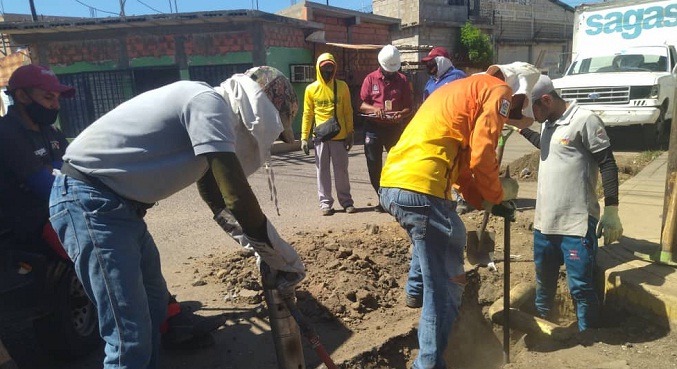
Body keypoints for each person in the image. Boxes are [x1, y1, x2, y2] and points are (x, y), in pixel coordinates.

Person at [48, 66, 306, 369]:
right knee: (129, 335)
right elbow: (236, 196)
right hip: (91, 202)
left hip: (122, 211)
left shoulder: (213, 114)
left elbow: (215, 195)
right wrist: (283, 257)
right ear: (260, 108)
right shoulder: (207, 104)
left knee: (157, 309)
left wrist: (257, 246)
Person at [0, 64, 224, 352]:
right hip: (32, 220)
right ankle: (151, 326)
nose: (55, 105)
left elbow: (67, 169)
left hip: (60, 206)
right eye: (47, 98)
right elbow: (46, 185)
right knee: (117, 258)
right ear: (21, 96)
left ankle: (164, 320)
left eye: (57, 99)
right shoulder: (8, 134)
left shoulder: (49, 131)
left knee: (136, 247)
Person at [379, 62, 540, 369]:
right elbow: (482, 155)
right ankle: (427, 364)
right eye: (514, 107)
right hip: (423, 190)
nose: (509, 114)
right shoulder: (499, 90)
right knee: (447, 283)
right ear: (516, 91)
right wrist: (499, 192)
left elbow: (464, 173)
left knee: (442, 233)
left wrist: (485, 201)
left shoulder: (460, 91)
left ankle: (414, 291)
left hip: (395, 185)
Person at [515, 74, 623, 331]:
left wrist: (612, 209)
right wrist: (519, 129)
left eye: (534, 110)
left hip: (575, 224)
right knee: (544, 286)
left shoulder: (584, 120)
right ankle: (543, 329)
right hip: (544, 224)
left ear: (547, 99)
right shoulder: (548, 124)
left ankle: (587, 338)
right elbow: (546, 145)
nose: (533, 116)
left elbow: (607, 164)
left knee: (581, 287)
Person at [300, 53, 356, 216]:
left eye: (330, 68)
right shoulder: (311, 89)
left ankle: (346, 202)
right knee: (322, 171)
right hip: (321, 138)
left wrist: (350, 132)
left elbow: (347, 111)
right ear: (318, 68)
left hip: (340, 136)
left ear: (335, 68)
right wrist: (304, 137)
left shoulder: (342, 86)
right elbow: (308, 113)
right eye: (324, 68)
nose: (328, 71)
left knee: (341, 171)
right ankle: (325, 204)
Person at [359, 44, 413, 212]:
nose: (389, 73)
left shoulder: (403, 80)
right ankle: (382, 198)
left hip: (394, 129)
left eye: (392, 70)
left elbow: (409, 107)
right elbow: (361, 104)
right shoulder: (370, 79)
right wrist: (375, 110)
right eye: (387, 69)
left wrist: (401, 114)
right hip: (373, 128)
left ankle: (396, 198)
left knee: (398, 164)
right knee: (374, 164)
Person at [421, 46, 470, 214]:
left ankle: (462, 197)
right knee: (440, 165)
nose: (429, 67)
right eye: (427, 64)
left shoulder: (457, 77)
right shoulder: (430, 82)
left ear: (442, 62)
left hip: (454, 129)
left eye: (431, 63)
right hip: (435, 130)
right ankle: (445, 197)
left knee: (457, 164)